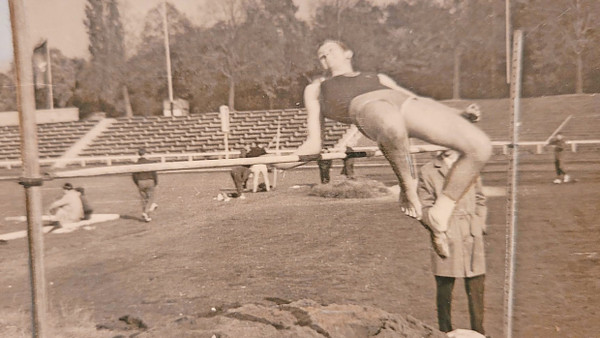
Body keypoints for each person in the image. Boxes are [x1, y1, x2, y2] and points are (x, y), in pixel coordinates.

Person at [291, 39, 491, 256]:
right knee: (391, 124)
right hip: (367, 107)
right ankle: (408, 187)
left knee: (480, 147)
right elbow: (314, 143)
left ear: (348, 53)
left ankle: (439, 214)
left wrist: (458, 113)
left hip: (404, 104)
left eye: (330, 50)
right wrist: (275, 161)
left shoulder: (378, 77)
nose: (325, 55)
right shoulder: (316, 89)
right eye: (321, 55)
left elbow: (416, 99)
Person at [417, 149, 488, 335]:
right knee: (444, 288)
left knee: (476, 287)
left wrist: (479, 223)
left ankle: (479, 331)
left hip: (471, 235)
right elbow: (424, 207)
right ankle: (444, 331)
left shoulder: (470, 165)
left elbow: (480, 198)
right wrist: (438, 230)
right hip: (446, 234)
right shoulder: (427, 170)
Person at [132, 148, 158, 222]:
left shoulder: (136, 164)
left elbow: (134, 176)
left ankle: (146, 214)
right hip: (149, 180)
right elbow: (154, 173)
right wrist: (155, 182)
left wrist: (137, 183)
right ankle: (146, 212)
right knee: (150, 197)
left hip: (140, 181)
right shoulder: (150, 162)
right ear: (145, 154)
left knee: (144, 198)